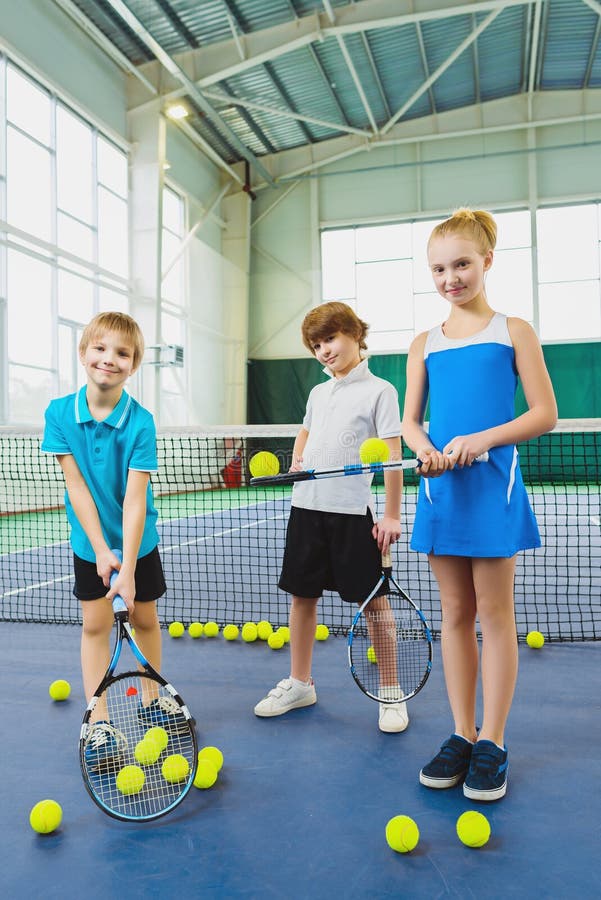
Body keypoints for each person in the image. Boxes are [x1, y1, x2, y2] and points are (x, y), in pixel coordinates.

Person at [402, 208, 557, 800]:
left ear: (487, 261)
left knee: (495, 615)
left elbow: (545, 413)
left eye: (461, 263)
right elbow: (411, 424)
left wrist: (481, 440)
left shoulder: (514, 330)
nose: (450, 277)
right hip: (441, 490)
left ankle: (493, 740)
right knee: (455, 615)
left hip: (494, 488)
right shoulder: (424, 343)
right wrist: (427, 450)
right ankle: (461, 734)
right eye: (439, 268)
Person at [254, 301, 408, 733]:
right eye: (316, 345)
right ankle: (300, 682)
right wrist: (299, 457)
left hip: (349, 515)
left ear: (356, 334)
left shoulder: (381, 391)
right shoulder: (319, 392)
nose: (324, 350)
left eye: (331, 339)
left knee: (375, 605)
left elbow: (393, 457)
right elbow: (305, 429)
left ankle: (392, 691)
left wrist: (391, 515)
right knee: (301, 598)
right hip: (306, 509)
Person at [42, 312, 180, 770]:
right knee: (95, 627)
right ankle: (100, 722)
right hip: (89, 544)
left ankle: (151, 698)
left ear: (134, 364)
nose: (109, 359)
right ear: (83, 354)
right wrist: (102, 551)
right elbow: (76, 487)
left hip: (139, 543)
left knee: (144, 619)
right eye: (100, 349)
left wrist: (130, 568)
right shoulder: (59, 414)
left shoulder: (141, 423)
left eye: (123, 353)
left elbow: (135, 499)